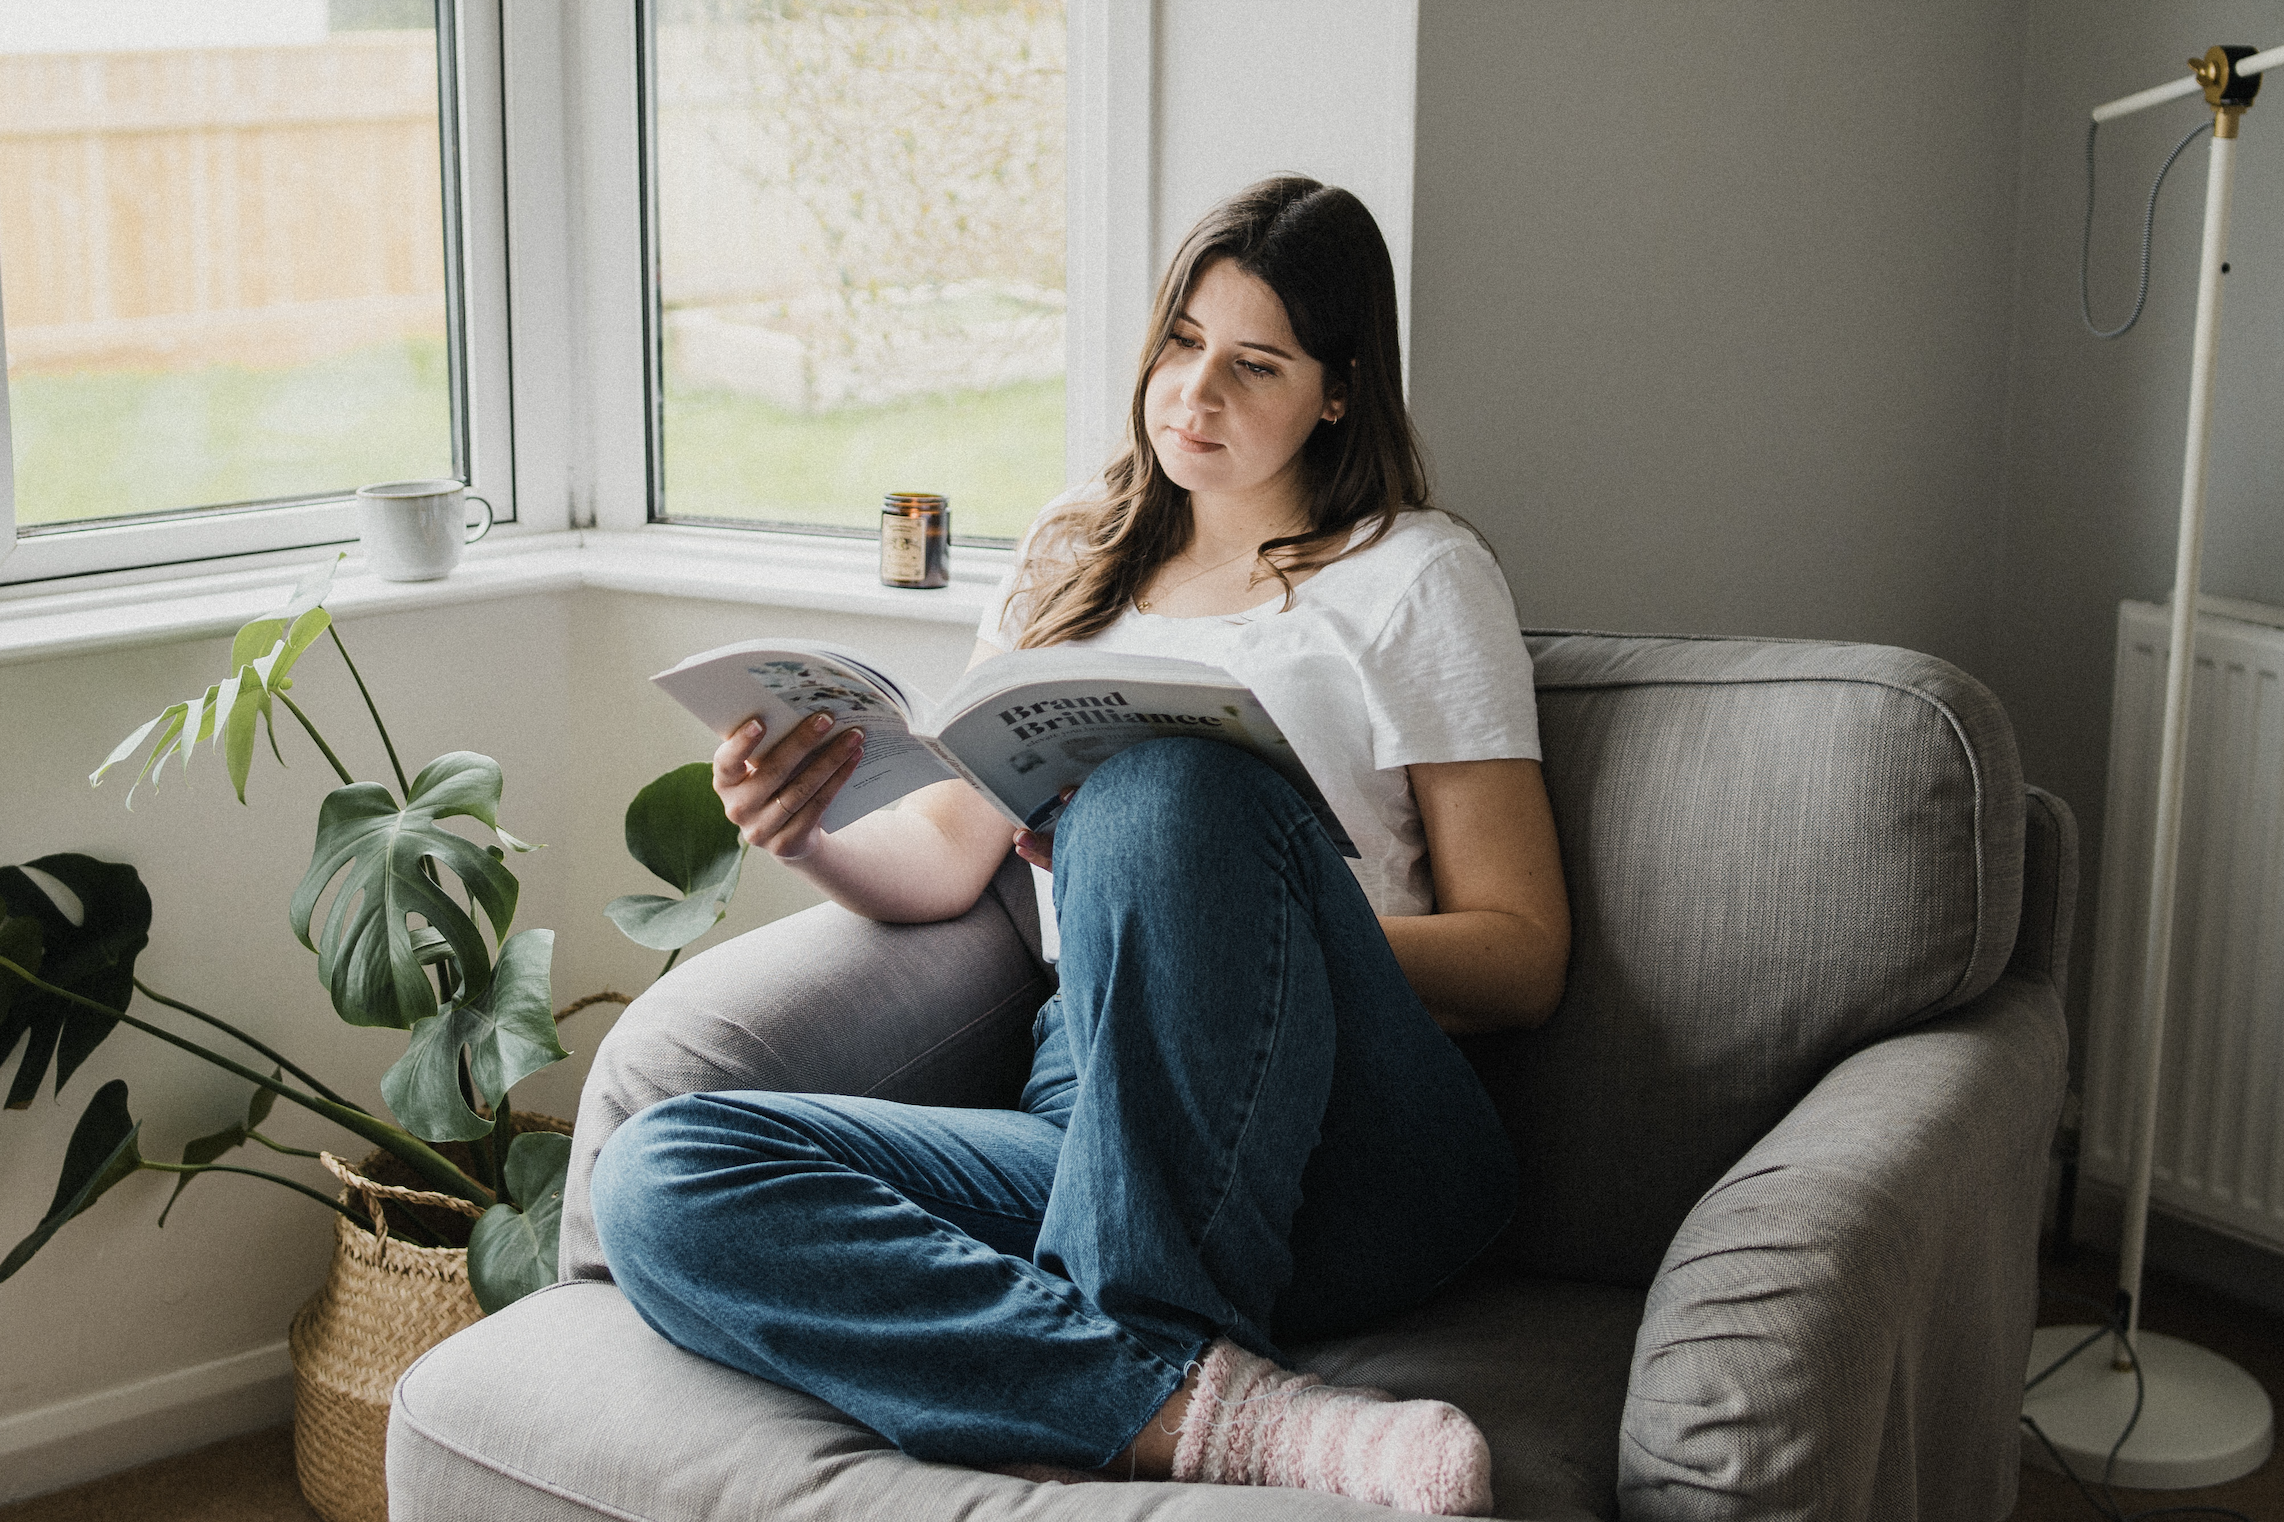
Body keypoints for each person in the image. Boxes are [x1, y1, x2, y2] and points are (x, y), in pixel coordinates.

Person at [590, 177, 1569, 1517]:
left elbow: (1523, 958)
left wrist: (1226, 918)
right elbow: (942, 862)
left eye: (1253, 364)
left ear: (1339, 390)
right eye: (1180, 342)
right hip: (1094, 1115)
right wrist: (809, 828)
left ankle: (1104, 1375)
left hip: (1356, 1132)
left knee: (1161, 795)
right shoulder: (1070, 555)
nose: (1194, 394)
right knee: (662, 1175)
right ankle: (1203, 1410)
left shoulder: (1417, 574)